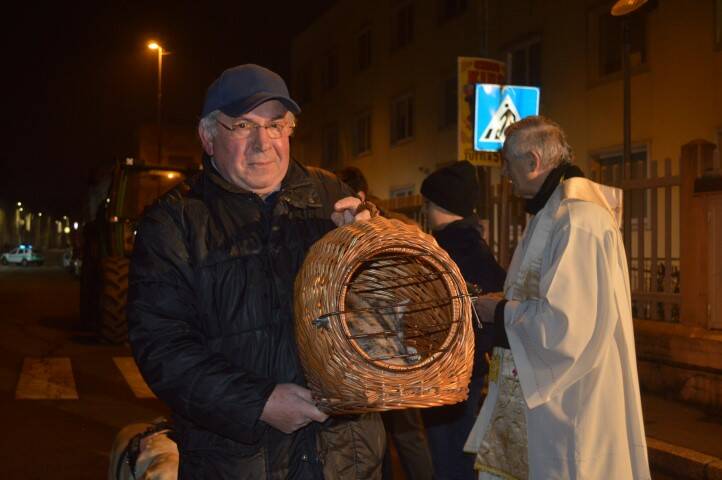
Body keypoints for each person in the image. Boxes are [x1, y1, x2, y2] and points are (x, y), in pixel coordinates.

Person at [127, 64, 385, 479]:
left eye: (275, 125)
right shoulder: (174, 221)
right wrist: (258, 402)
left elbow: (391, 304)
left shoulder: (333, 197)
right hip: (237, 460)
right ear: (208, 137)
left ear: (290, 131)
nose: (262, 142)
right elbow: (161, 347)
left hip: (345, 456)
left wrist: (371, 245)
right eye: (242, 125)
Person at [465, 116, 650, 479]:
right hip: (546, 392)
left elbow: (566, 326)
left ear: (533, 162)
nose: (504, 172)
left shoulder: (576, 219)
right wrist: (506, 301)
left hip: (571, 399)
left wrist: (499, 311)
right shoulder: (553, 211)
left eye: (507, 162)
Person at [336, 165, 435, 480]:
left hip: (386, 342)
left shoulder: (385, 229)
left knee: (395, 430)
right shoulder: (397, 225)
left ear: (359, 196)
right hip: (383, 344)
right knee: (391, 432)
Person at [419, 161, 506, 480]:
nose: (424, 211)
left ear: (439, 205)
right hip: (467, 367)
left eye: (426, 203)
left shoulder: (448, 249)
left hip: (449, 369)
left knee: (451, 456)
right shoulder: (473, 244)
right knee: (460, 449)